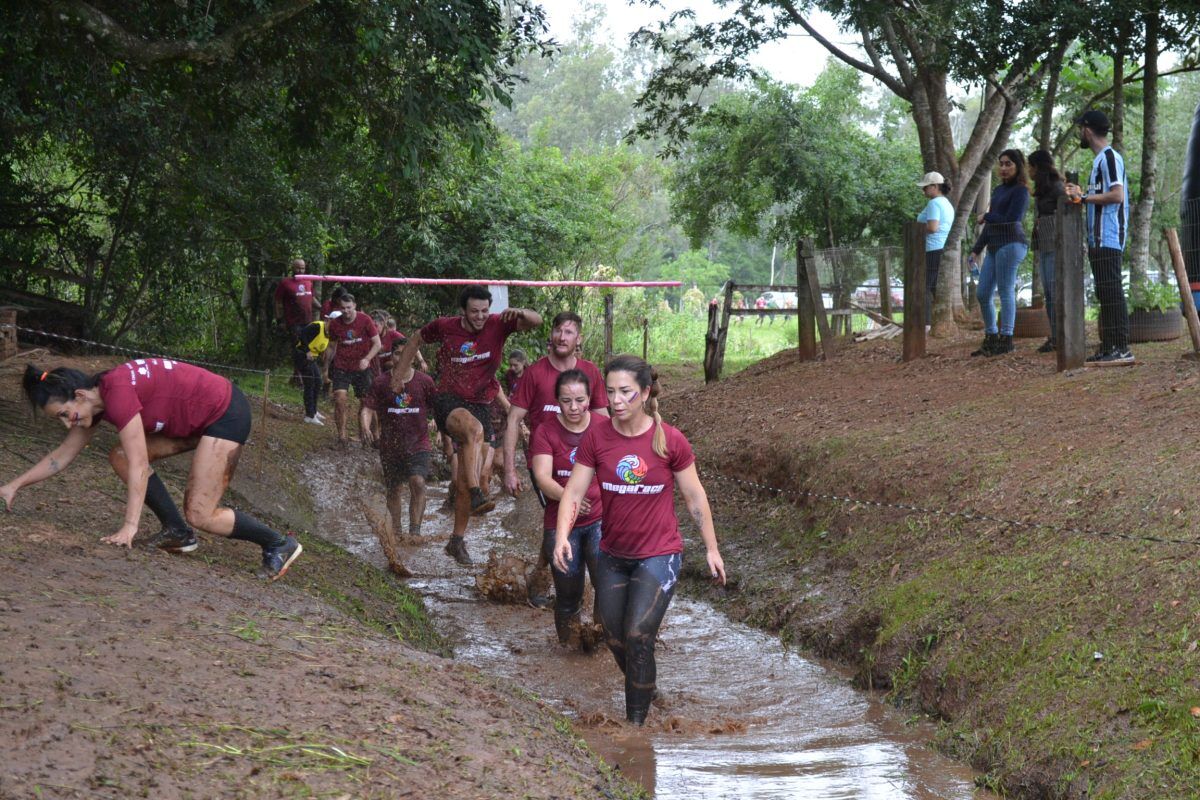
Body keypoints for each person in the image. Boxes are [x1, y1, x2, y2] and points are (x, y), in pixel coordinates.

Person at [1, 362, 302, 579]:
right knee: (119, 455)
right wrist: (14, 485)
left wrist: (130, 526)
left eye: (66, 414)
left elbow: (140, 464)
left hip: (224, 413)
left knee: (201, 514)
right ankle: (177, 533)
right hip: (197, 417)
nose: (69, 423)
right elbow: (61, 456)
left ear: (79, 394)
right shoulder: (97, 400)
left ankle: (278, 543)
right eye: (61, 420)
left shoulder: (117, 394)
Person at [555, 355, 725, 726]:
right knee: (616, 639)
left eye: (626, 392)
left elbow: (695, 497)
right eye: (611, 391)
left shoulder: (670, 440)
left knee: (637, 634)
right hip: (613, 555)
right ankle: (647, 684)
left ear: (645, 393)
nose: (616, 400)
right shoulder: (596, 436)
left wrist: (711, 549)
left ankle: (636, 730)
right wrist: (562, 536)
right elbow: (573, 492)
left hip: (659, 555)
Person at [392, 286, 542, 565]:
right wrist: (400, 373)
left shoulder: (498, 324)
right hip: (449, 400)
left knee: (469, 475)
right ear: (463, 310)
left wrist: (521, 312)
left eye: (485, 311)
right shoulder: (445, 327)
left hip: (481, 404)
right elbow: (415, 339)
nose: (480, 317)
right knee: (473, 432)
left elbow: (537, 321)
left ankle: (456, 539)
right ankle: (475, 494)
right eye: (474, 312)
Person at [503, 312, 608, 603]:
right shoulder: (535, 373)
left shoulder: (591, 372)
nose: (563, 337)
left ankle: (545, 575)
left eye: (569, 332)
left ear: (579, 339)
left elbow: (605, 422)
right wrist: (509, 470)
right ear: (551, 335)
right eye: (558, 331)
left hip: (589, 464)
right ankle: (551, 576)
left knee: (582, 522)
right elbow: (513, 420)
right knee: (563, 515)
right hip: (548, 466)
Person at [529, 369, 604, 644]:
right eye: (566, 401)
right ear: (556, 401)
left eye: (580, 400)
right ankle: (568, 652)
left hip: (600, 519)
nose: (574, 407)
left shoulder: (603, 427)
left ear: (589, 399)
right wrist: (569, 497)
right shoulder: (546, 430)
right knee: (568, 595)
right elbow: (541, 478)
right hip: (561, 523)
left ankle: (600, 644)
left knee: (606, 588)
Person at [1066, 110, 1134, 364]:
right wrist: (1081, 195)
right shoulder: (1099, 161)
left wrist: (1083, 198)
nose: (1079, 134)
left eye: (1079, 129)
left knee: (1112, 291)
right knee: (1104, 293)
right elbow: (1100, 195)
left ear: (1087, 129)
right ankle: (1109, 346)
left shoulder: (1109, 158)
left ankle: (1121, 348)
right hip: (1097, 238)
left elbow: (1117, 195)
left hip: (1109, 236)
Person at [361, 338, 435, 543]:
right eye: (397, 353)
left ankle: (415, 532)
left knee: (418, 482)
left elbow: (437, 407)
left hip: (419, 443)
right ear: (391, 357)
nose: (402, 357)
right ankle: (397, 530)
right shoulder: (380, 382)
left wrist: (438, 425)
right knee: (393, 489)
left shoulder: (424, 382)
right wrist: (365, 426)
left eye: (406, 353)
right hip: (390, 445)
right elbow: (368, 407)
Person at [968, 149, 1030, 357]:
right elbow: (992, 224)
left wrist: (986, 216)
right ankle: (991, 336)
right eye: (1001, 164)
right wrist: (976, 250)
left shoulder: (1020, 190)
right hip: (994, 245)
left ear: (1018, 166)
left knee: (1005, 290)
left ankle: (1007, 338)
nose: (1003, 168)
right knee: (983, 293)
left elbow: (1013, 218)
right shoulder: (997, 191)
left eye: (1008, 164)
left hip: (1012, 243)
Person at [327, 293, 381, 444]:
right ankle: (342, 436)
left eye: (349, 308)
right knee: (340, 399)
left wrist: (367, 359)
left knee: (367, 402)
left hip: (361, 367)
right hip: (341, 366)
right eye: (343, 308)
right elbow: (332, 346)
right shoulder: (336, 324)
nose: (346, 311)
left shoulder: (365, 320)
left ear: (354, 306)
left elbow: (377, 344)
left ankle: (374, 435)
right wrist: (325, 368)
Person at [1028, 150, 1066, 354]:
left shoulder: (1057, 187)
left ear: (1038, 167)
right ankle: (1055, 336)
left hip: (1055, 245)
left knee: (1055, 291)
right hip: (1043, 244)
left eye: (1031, 166)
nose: (1029, 171)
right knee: (1049, 293)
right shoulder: (1043, 189)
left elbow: (1066, 213)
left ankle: (1062, 336)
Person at [274, 258, 320, 400]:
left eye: (303, 268)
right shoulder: (285, 283)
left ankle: (303, 374)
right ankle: (298, 376)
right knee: (299, 348)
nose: (300, 271)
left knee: (309, 348)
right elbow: (278, 302)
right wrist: (280, 320)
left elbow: (312, 299)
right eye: (298, 268)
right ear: (292, 268)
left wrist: (322, 308)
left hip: (308, 322)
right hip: (294, 322)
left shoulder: (308, 281)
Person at [916, 172, 955, 330]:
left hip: (931, 249)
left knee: (923, 286)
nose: (923, 190)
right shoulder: (946, 203)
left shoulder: (934, 204)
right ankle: (934, 321)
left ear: (935, 187)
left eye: (926, 187)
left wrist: (915, 229)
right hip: (939, 248)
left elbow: (932, 227)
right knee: (933, 287)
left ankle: (925, 324)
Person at [295, 318, 330, 424]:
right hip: (302, 356)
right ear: (330, 320)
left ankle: (314, 410)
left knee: (318, 382)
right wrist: (307, 351)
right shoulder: (318, 326)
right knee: (310, 384)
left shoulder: (331, 332)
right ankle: (309, 415)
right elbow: (301, 334)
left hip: (313, 359)